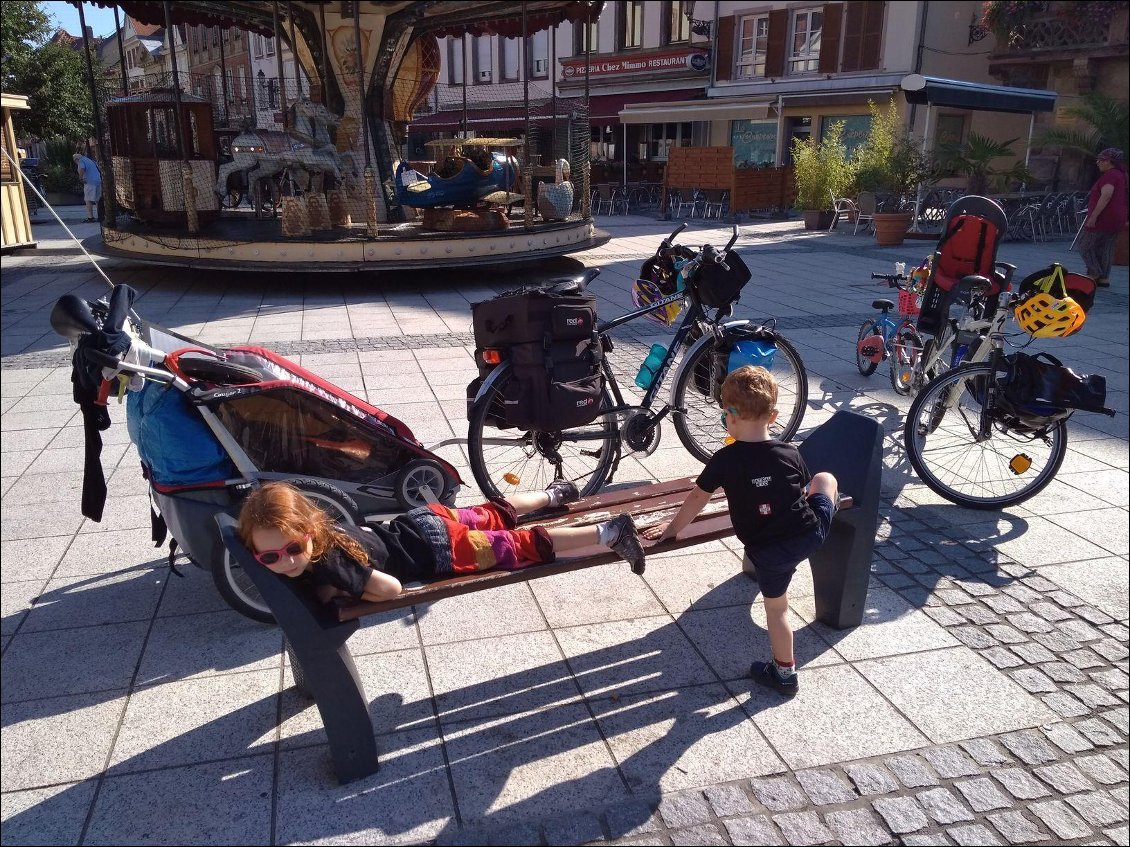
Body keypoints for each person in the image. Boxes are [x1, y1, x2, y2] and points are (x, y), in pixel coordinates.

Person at [641, 366, 837, 698]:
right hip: (808, 534)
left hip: (767, 552)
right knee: (825, 480)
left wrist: (670, 529)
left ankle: (785, 673)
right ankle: (784, 675)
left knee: (777, 610)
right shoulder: (790, 452)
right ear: (773, 417)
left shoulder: (724, 460)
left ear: (728, 419)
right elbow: (802, 485)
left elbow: (697, 500)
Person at [237, 480, 645, 604]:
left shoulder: (328, 561)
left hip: (439, 550)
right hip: (421, 520)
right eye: (271, 557)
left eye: (293, 549)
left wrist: (352, 587)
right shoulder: (327, 534)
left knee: (517, 545)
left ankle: (609, 533)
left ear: (310, 536)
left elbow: (391, 588)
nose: (287, 561)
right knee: (493, 511)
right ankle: (556, 494)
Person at [1079, 147, 1127, 288]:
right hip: (1117, 218)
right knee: (1105, 247)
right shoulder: (1122, 174)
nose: (1098, 162)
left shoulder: (1110, 176)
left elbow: (1106, 195)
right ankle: (1104, 278)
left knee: (1084, 245)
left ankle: (1094, 273)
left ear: (1110, 161)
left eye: (1102, 160)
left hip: (1104, 218)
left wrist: (1093, 217)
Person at [73, 152, 102, 223]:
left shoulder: (81, 161)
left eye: (75, 161)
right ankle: (100, 216)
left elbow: (82, 169)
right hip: (98, 180)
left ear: (76, 159)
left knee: (88, 200)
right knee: (98, 199)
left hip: (90, 182)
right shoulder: (89, 160)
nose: (76, 163)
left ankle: (90, 218)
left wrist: (81, 179)